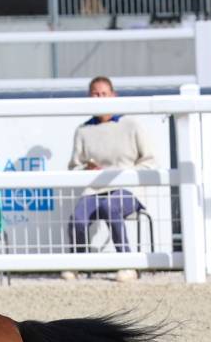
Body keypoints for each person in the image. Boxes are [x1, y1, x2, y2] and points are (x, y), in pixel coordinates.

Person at [65, 76, 156, 283]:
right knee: (78, 217)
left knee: (110, 207)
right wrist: (86, 167)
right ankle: (78, 263)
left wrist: (127, 175)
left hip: (127, 189)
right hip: (94, 189)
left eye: (104, 94)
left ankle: (126, 263)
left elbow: (149, 160)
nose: (100, 98)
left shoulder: (131, 125)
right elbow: (73, 166)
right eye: (96, 94)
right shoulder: (83, 130)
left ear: (113, 96)